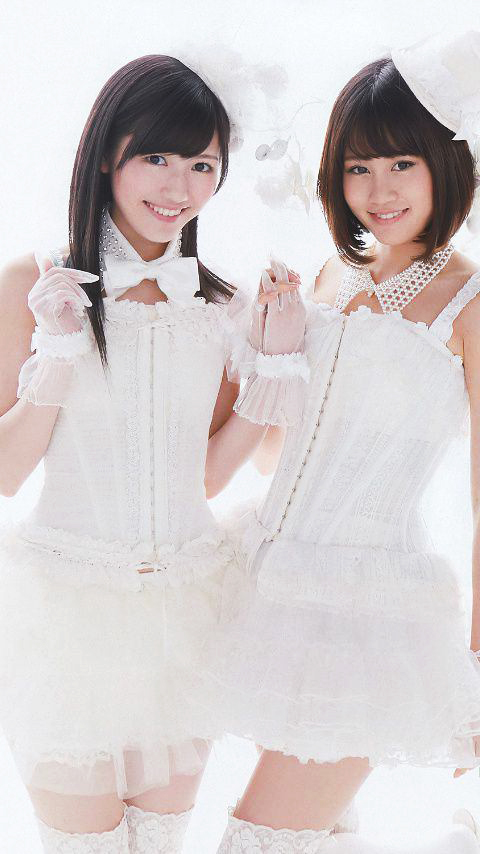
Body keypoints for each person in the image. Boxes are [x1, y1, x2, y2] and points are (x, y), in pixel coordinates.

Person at [0, 53, 304, 853]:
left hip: (186, 618)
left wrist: (272, 374)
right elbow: (5, 472)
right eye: (158, 157)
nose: (179, 187)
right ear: (109, 153)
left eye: (202, 165)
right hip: (67, 616)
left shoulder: (223, 304)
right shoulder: (34, 283)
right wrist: (56, 357)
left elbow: (205, 475)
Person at [189, 31, 480, 852]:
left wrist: (475, 664)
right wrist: (269, 347)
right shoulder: (325, 276)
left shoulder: (469, 302)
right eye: (358, 167)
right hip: (262, 583)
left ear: (445, 164)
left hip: (371, 615)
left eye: (401, 164)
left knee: (258, 838)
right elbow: (279, 451)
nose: (378, 190)